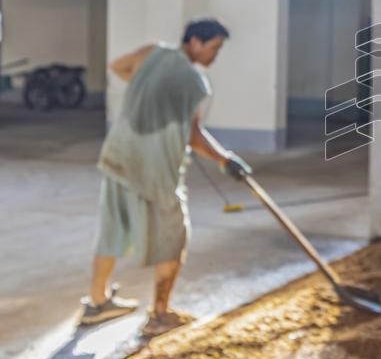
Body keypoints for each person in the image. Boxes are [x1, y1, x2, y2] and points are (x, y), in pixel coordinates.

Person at [80, 18, 252, 337]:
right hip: (154, 170)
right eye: (214, 48)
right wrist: (225, 159)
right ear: (195, 42)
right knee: (174, 238)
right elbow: (194, 136)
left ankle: (97, 302)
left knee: (111, 230)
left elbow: (117, 66)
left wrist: (145, 87)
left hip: (118, 157)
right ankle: (159, 315)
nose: (215, 56)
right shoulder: (193, 81)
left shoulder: (150, 54)